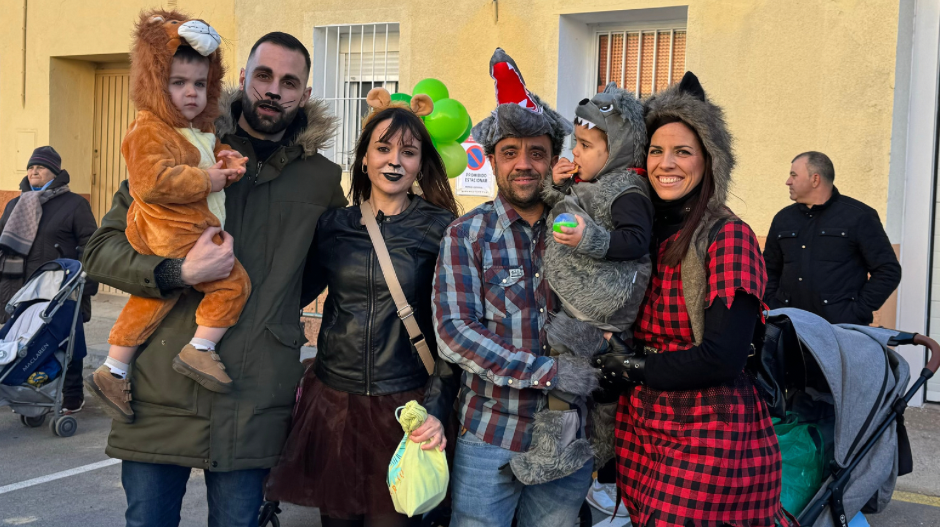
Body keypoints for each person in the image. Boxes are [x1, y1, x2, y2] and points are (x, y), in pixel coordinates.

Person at [81, 20, 346, 527]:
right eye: (263, 75)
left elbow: (321, 272)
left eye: (289, 83)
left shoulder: (321, 179)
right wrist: (177, 271)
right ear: (243, 77)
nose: (273, 90)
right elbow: (101, 249)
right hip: (158, 390)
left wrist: (273, 316)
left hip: (252, 399)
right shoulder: (185, 145)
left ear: (305, 93)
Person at [595, 72, 793, 527]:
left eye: (683, 151)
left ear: (709, 161)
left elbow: (722, 356)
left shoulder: (728, 236)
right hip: (643, 426)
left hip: (710, 430)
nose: (667, 163)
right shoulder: (642, 235)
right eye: (656, 151)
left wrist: (635, 369)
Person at [265, 89, 461, 527]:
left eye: (408, 152)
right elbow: (287, 292)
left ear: (420, 164)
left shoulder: (442, 229)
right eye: (383, 148)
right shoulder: (334, 225)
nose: (394, 161)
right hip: (335, 404)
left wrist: (438, 405)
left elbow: (454, 330)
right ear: (365, 158)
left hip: (404, 405)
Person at [434, 48, 596, 527]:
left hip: (568, 434)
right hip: (490, 435)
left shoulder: (582, 230)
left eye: (537, 153)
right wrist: (547, 371)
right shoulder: (467, 235)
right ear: (493, 159)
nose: (524, 164)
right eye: (510, 153)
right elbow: (455, 332)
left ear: (553, 160)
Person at [84, 11, 249, 425]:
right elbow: (152, 182)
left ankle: (113, 369)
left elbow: (201, 157)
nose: (190, 93)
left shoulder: (195, 129)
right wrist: (209, 179)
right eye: (178, 83)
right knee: (233, 284)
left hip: (173, 231)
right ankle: (201, 349)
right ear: (155, 84)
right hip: (172, 228)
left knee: (152, 296)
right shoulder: (148, 127)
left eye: (199, 84)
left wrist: (225, 160)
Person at [508, 82, 653, 486]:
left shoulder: (628, 190)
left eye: (587, 146)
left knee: (569, 385)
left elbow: (636, 240)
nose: (576, 153)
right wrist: (557, 185)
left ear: (619, 148)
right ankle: (599, 463)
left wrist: (589, 239)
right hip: (581, 306)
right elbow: (565, 205)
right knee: (592, 391)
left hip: (598, 309)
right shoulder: (594, 185)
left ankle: (559, 455)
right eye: (578, 144)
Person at [0, 146, 99, 414]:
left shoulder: (75, 204)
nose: (34, 171)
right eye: (31, 167)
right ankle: (29, 392)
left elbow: (90, 244)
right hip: (18, 285)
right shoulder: (14, 204)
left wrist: (86, 281)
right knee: (21, 342)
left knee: (66, 340)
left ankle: (72, 394)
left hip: (59, 286)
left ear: (55, 173)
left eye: (40, 167)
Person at [763, 151, 901, 324]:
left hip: (839, 329)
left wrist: (857, 311)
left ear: (815, 179)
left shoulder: (858, 216)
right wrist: (773, 307)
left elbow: (888, 270)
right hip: (789, 327)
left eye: (794, 175)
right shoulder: (783, 219)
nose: (788, 181)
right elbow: (767, 269)